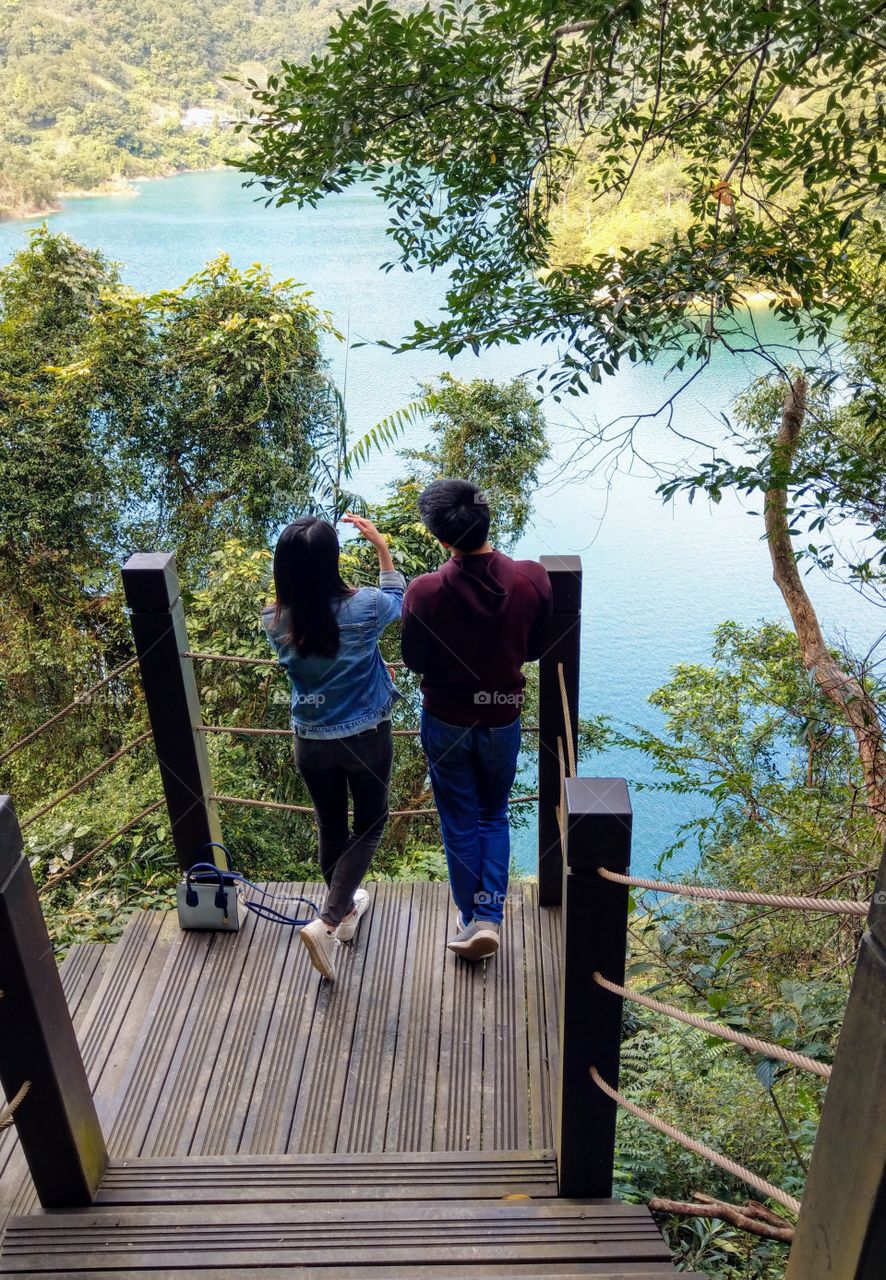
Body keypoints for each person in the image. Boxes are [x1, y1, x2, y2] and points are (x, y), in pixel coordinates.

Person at [401, 480, 553, 961]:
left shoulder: (424, 592)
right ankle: (486, 916)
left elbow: (415, 660)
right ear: (488, 521)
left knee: (460, 821)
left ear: (442, 539)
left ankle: (473, 919)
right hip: (501, 719)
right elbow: (537, 646)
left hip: (446, 720)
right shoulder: (533, 579)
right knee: (494, 814)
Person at [262, 513, 405, 981]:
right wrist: (381, 547)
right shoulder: (364, 607)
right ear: (333, 561)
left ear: (282, 568)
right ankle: (327, 920)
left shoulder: (275, 619)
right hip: (365, 737)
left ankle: (342, 914)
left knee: (331, 824)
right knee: (372, 822)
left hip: (311, 739)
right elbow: (397, 601)